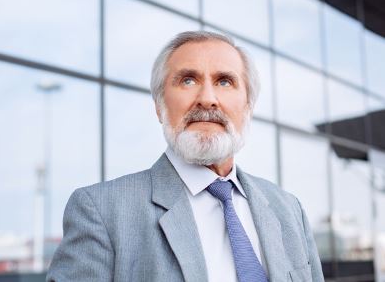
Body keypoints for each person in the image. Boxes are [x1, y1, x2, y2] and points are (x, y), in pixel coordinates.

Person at [47, 31, 324, 282]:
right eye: (188, 80)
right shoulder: (101, 212)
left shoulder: (289, 209)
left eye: (225, 81)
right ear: (159, 105)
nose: (207, 98)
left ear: (248, 107)